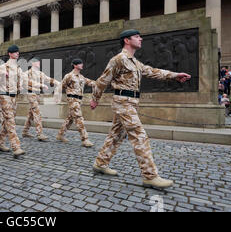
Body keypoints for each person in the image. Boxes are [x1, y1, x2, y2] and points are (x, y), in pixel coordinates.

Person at [90, 29, 191, 189]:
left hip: (131, 103)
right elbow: (102, 81)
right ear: (127, 40)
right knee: (139, 136)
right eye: (137, 37)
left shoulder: (135, 62)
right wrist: (95, 99)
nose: (141, 39)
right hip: (123, 102)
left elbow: (152, 72)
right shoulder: (118, 59)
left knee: (116, 135)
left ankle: (100, 163)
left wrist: (174, 75)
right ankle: (150, 176)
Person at [0, 45, 46, 157]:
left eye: (18, 52)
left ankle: (0, 143)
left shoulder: (19, 69)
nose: (17, 53)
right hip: (4, 96)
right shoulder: (3, 67)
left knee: (8, 121)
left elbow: (26, 82)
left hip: (14, 97)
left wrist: (40, 85)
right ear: (10, 54)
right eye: (15, 52)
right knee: (10, 121)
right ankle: (16, 147)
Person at [56, 59, 95, 148]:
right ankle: (85, 139)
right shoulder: (69, 76)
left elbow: (90, 82)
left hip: (79, 100)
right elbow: (61, 86)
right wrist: (57, 97)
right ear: (75, 65)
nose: (82, 64)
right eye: (80, 63)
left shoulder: (81, 77)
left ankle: (60, 135)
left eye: (82, 63)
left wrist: (101, 83)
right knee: (78, 118)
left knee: (70, 118)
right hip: (72, 100)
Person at [22, 57, 60, 142]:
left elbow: (49, 79)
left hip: (38, 95)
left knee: (31, 114)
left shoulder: (40, 73)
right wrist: (41, 85)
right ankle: (40, 134)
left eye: (39, 62)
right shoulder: (26, 73)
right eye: (37, 62)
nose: (39, 63)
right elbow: (27, 82)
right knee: (37, 112)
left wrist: (59, 83)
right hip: (31, 94)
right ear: (32, 63)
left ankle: (25, 131)